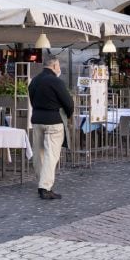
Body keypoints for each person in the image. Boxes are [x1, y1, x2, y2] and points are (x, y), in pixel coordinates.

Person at [28, 55, 74, 200]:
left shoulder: (34, 81)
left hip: (37, 120)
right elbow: (68, 102)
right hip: (53, 121)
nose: (59, 68)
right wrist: (68, 114)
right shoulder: (56, 81)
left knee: (39, 154)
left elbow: (32, 100)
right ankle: (45, 187)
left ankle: (42, 183)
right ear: (54, 66)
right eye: (59, 66)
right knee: (51, 155)